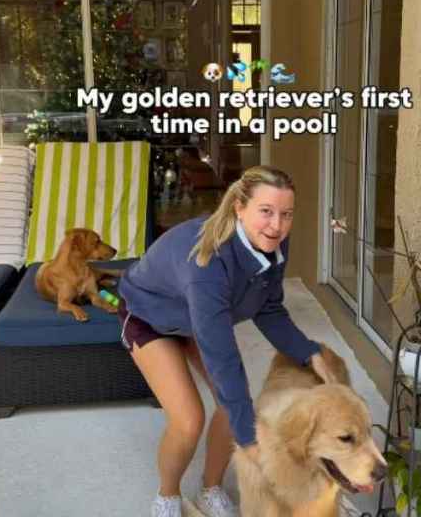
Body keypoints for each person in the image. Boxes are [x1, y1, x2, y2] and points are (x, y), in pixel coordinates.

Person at [118, 165, 333, 517]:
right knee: (189, 419)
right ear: (239, 207)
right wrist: (251, 442)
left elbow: (270, 308)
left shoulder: (273, 242)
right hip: (150, 316)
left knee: (230, 406)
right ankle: (167, 495)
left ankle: (211, 487)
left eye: (286, 214)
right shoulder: (208, 265)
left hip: (198, 317)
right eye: (266, 211)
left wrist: (309, 354)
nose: (276, 225)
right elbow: (222, 356)